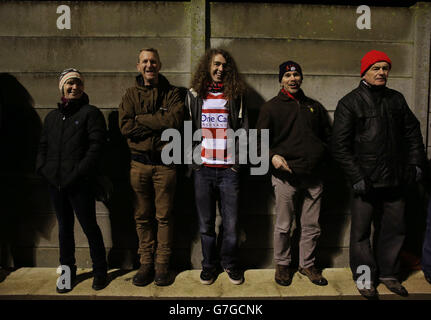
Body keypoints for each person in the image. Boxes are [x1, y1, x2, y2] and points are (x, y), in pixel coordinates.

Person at [332, 50, 426, 299]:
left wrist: (416, 165)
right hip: (366, 182)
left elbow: (413, 133)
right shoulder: (349, 103)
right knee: (361, 233)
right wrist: (356, 177)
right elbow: (339, 146)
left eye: (385, 68)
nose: (382, 72)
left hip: (396, 180)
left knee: (395, 229)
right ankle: (365, 278)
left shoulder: (396, 99)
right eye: (376, 68)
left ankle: (389, 275)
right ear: (364, 72)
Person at [256, 61, 331, 287]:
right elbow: (257, 141)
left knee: (312, 225)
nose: (292, 78)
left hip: (313, 177)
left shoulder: (314, 107)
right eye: (287, 75)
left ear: (301, 78)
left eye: (296, 74)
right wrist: (272, 157)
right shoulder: (270, 108)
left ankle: (307, 264)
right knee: (284, 226)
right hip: (285, 177)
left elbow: (328, 138)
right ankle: (282, 264)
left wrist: (320, 158)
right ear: (280, 80)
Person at [36, 68, 108, 293]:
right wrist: (43, 169)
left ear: (83, 87)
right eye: (70, 83)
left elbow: (97, 148)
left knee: (90, 227)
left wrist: (78, 173)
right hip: (56, 185)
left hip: (80, 184)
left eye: (78, 83)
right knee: (64, 230)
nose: (74, 87)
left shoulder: (90, 113)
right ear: (62, 88)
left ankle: (100, 272)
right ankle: (67, 273)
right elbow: (43, 146)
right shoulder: (52, 117)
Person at [118, 48, 185, 286]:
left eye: (153, 61)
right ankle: (145, 263)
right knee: (142, 217)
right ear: (138, 66)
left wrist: (141, 119)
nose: (149, 65)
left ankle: (161, 267)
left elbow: (174, 123)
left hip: (166, 166)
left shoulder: (174, 93)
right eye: (145, 61)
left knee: (164, 217)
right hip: (138, 166)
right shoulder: (129, 95)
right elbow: (126, 128)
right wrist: (158, 120)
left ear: (160, 65)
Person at [185, 48, 248, 285]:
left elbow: (244, 130)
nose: (220, 69)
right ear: (207, 67)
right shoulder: (193, 95)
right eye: (216, 64)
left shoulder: (236, 95)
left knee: (231, 224)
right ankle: (209, 266)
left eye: (225, 66)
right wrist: (194, 164)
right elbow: (187, 130)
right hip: (203, 170)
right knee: (206, 224)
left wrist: (237, 165)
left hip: (228, 170)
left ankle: (230, 264)